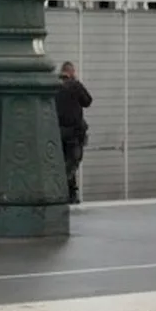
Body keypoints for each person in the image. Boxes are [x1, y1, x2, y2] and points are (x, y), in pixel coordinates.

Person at [56, 61, 92, 204]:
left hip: (58, 132)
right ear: (71, 72)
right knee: (73, 161)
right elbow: (87, 101)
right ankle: (65, 190)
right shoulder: (75, 85)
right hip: (74, 132)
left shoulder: (54, 86)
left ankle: (70, 192)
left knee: (64, 161)